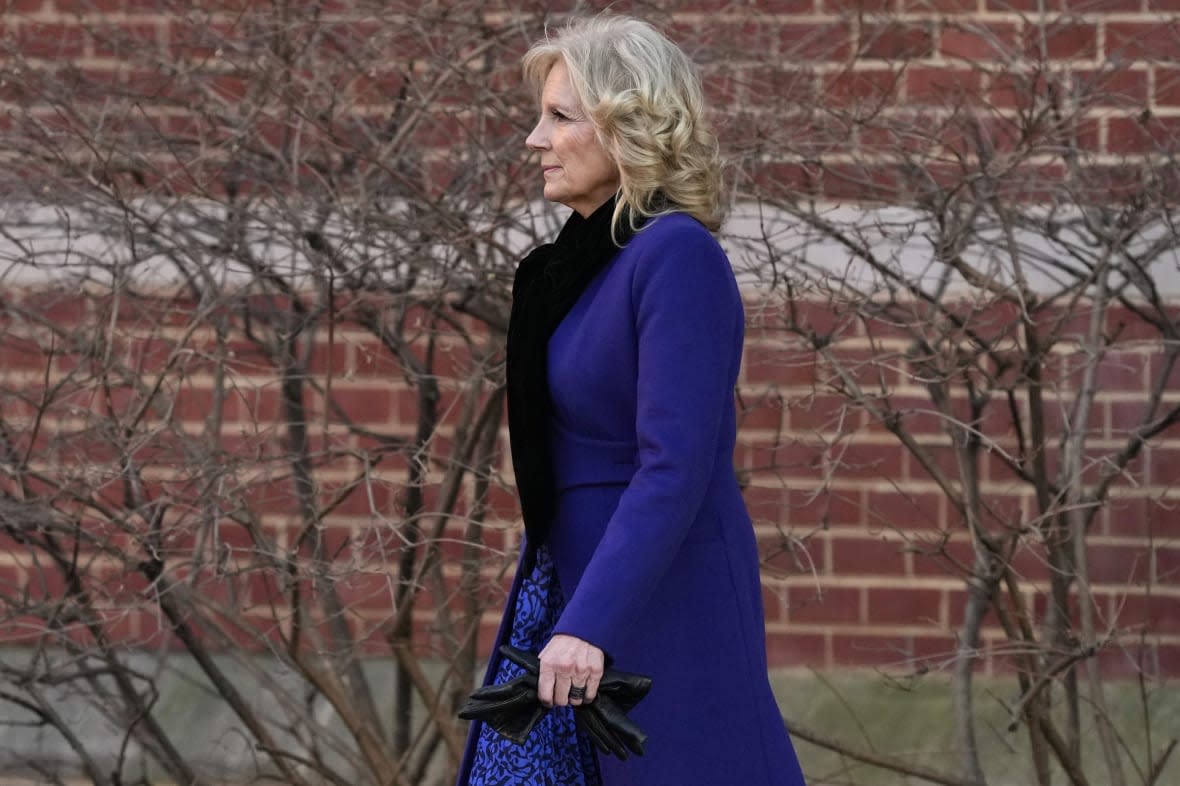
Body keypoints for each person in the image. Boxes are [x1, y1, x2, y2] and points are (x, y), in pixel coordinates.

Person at [456, 14, 808, 786]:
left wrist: (590, 623)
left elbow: (672, 468)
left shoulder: (675, 257)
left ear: (629, 127)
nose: (534, 140)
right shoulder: (578, 266)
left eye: (559, 117)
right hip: (572, 588)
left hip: (659, 599)